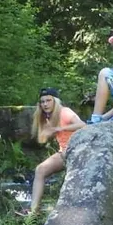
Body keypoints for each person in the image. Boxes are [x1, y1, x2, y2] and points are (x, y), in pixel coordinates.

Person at [27, 87, 85, 215]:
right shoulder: (47, 116)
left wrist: (58, 129)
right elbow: (43, 139)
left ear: (55, 101)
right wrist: (46, 132)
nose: (45, 104)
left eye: (48, 100)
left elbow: (82, 125)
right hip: (64, 152)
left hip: (77, 149)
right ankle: (34, 212)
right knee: (40, 170)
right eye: (42, 102)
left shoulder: (65, 112)